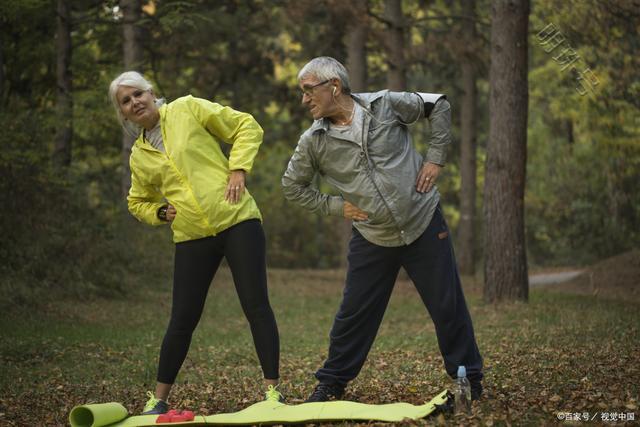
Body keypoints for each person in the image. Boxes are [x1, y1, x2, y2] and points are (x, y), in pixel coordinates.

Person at [282, 57, 483, 402]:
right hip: (372, 235)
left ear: (334, 86)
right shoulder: (313, 141)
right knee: (353, 314)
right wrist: (336, 206)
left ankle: (469, 380)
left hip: (423, 222)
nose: (304, 100)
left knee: (447, 306)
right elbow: (292, 186)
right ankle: (331, 384)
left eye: (307, 90)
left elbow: (438, 104)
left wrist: (435, 157)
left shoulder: (384, 105)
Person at [108, 71, 282, 414]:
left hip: (236, 219)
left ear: (151, 92)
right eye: (126, 101)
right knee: (182, 318)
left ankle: (273, 394)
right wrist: (159, 213)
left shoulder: (187, 108)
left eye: (138, 93)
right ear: (124, 113)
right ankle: (158, 400)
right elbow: (137, 201)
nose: (135, 102)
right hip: (191, 235)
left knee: (255, 305)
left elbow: (246, 126)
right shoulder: (140, 155)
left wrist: (238, 169)